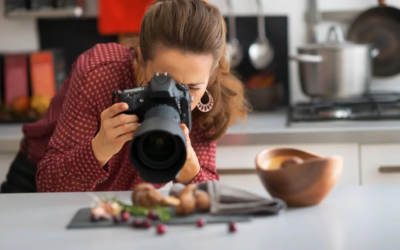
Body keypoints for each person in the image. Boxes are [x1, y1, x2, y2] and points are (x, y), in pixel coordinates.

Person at [0, 0, 249, 193]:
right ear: (139, 59)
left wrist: (192, 173)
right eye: (163, 80)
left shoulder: (208, 104)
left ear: (211, 75)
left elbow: (210, 199)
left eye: (192, 87)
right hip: (33, 185)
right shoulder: (99, 72)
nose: (175, 96)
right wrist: (99, 147)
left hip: (122, 204)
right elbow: (49, 186)